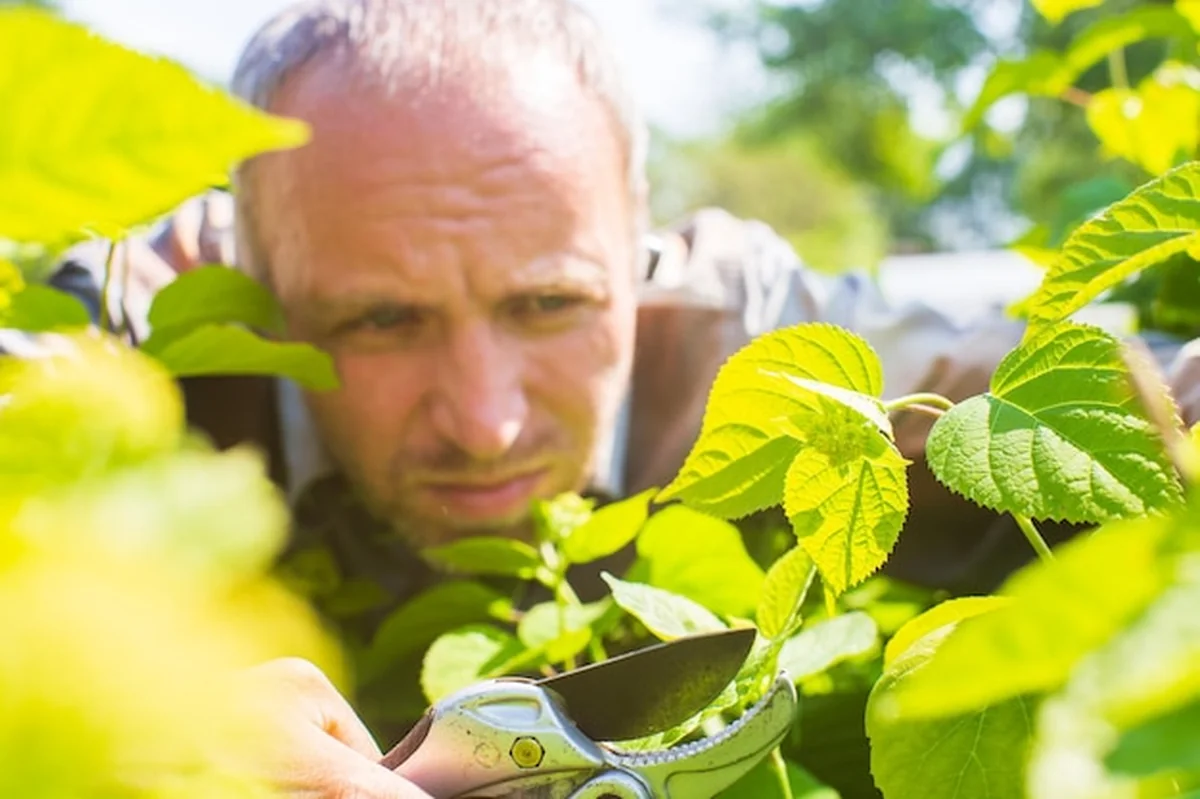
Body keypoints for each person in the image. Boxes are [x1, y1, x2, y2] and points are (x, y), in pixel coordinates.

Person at [8, 1, 1200, 796]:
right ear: (260, 279)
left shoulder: (762, 352)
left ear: (636, 246)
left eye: (547, 305)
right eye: (381, 319)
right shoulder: (133, 346)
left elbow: (1154, 412)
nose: (488, 421)